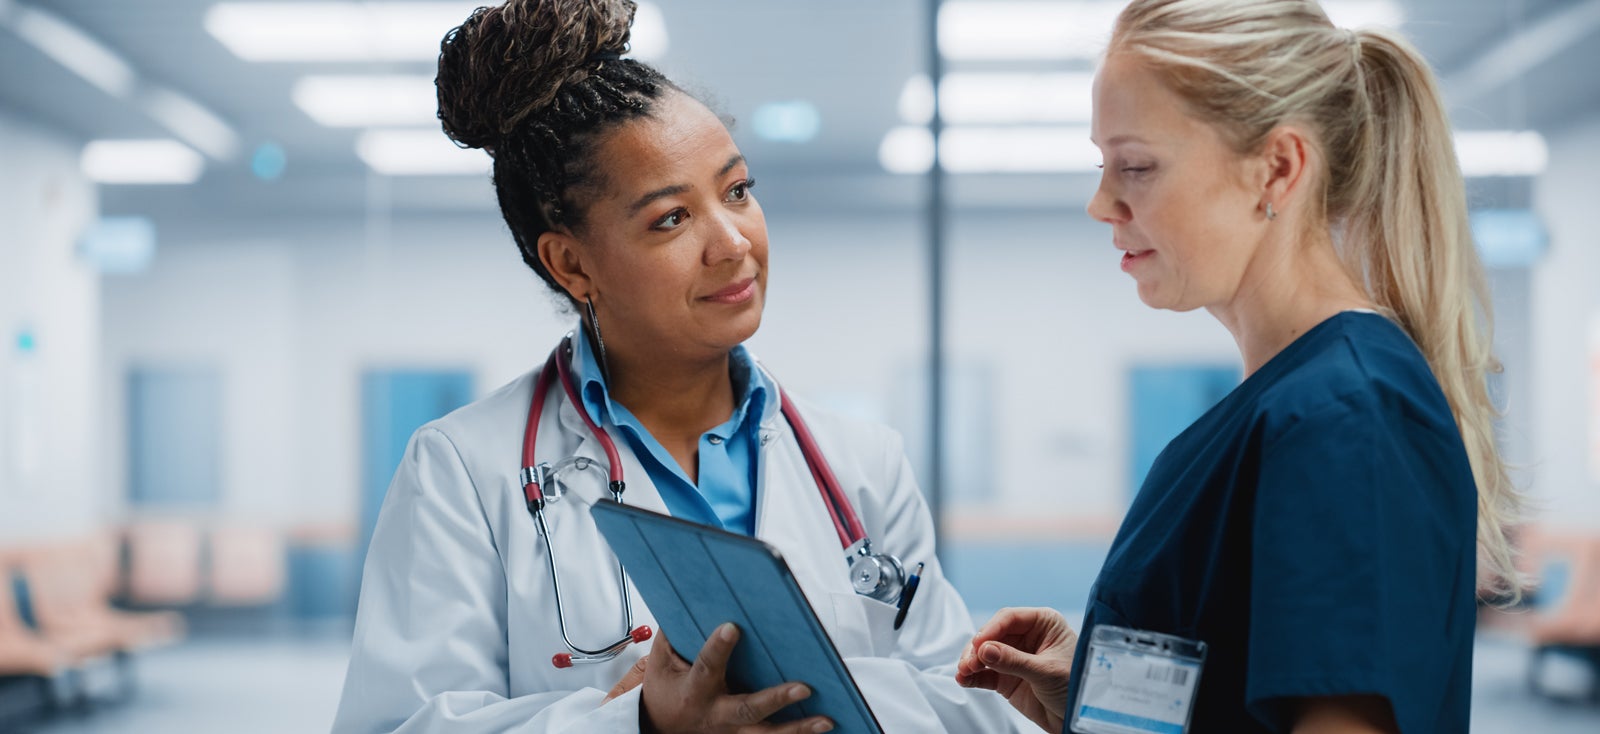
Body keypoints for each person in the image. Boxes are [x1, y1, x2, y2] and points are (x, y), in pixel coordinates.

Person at [331, 1, 1029, 732]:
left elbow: (971, 706)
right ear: (571, 263)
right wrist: (642, 723)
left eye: (737, 191)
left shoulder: (861, 466)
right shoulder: (463, 471)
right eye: (671, 218)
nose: (732, 242)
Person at [955, 1, 1520, 733]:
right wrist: (1098, 701)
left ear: (1277, 170)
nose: (1101, 203)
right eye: (1104, 165)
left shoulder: (1345, 412)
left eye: (1136, 166)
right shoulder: (1288, 405)